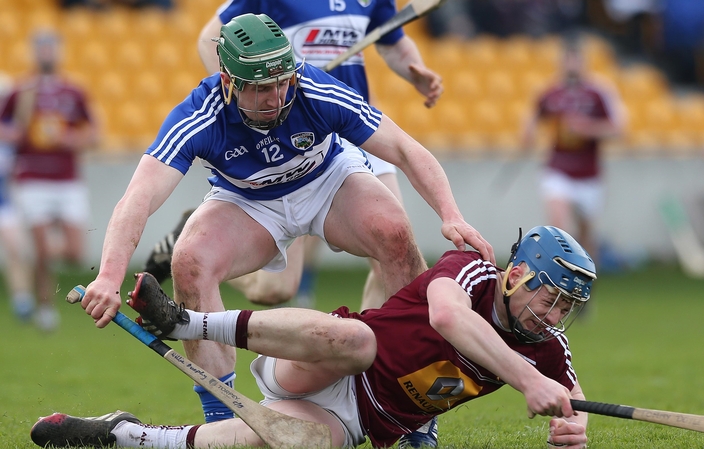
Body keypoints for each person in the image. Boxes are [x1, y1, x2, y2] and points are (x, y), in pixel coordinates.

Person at [80, 11, 492, 433]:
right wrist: (110, 276)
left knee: (394, 231)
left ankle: (418, 422)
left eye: (281, 84)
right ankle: (222, 421)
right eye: (260, 90)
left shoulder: (315, 88)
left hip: (329, 181)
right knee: (190, 260)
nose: (276, 98)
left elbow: (405, 150)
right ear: (228, 83)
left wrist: (451, 215)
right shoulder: (200, 113)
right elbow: (139, 196)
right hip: (249, 199)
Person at [32, 225, 594, 449]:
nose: (555, 315)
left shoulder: (547, 346)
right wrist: (524, 378)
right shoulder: (471, 269)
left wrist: (574, 427)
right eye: (552, 298)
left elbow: (574, 401)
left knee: (297, 442)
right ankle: (186, 323)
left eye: (567, 307)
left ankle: (125, 436)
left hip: (359, 421)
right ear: (517, 276)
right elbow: (448, 317)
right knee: (359, 341)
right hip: (323, 362)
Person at [145, 0, 445, 312]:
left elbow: (392, 41)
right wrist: (241, 98)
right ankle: (191, 243)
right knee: (276, 290)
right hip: (292, 137)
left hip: (357, 129)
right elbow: (209, 38)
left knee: (394, 250)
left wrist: (416, 71)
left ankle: (377, 352)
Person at [0, 29, 97, 332]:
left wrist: (70, 138)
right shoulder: (21, 91)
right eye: (40, 47)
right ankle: (45, 307)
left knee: (76, 253)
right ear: (34, 52)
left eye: (50, 47)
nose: (46, 53)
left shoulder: (73, 91)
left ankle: (34, 262)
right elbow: (5, 129)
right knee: (43, 246)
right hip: (32, 178)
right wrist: (17, 133)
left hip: (67, 179)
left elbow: (95, 133)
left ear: (57, 51)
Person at [519, 35, 624, 267]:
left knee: (586, 235)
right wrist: (528, 134)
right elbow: (532, 118)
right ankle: (560, 284)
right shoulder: (551, 92)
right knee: (558, 228)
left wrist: (586, 129)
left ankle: (587, 287)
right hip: (558, 169)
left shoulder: (599, 91)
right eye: (567, 59)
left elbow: (618, 129)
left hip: (589, 174)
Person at [0, 73, 36, 323]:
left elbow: (22, 125)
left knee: (16, 248)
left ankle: (22, 299)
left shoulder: (10, 132)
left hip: (3, 198)